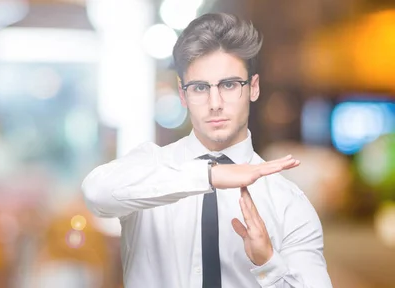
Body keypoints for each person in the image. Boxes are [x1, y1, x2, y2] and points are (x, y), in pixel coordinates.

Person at [82, 13, 332, 288]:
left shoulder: (288, 202)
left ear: (254, 88)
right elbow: (96, 193)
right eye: (200, 87)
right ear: (182, 94)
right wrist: (209, 175)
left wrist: (268, 263)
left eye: (228, 85)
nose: (215, 103)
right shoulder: (152, 167)